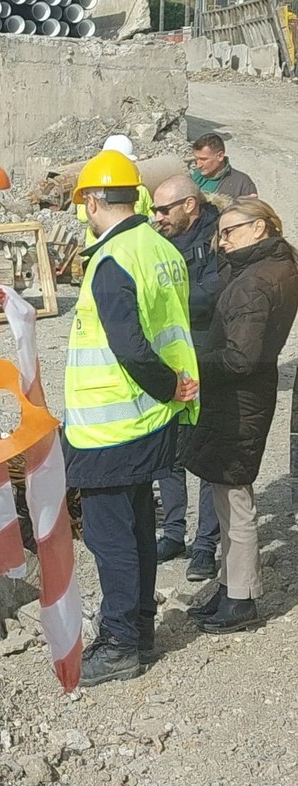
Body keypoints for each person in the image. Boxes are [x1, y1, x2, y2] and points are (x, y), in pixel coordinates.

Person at [62, 150, 199, 687]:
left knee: (112, 538)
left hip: (109, 428)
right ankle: (140, 629)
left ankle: (119, 642)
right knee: (141, 529)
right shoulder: (158, 247)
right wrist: (171, 392)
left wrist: (166, 383)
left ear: (93, 201)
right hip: (148, 420)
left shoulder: (112, 259)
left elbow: (131, 347)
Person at [183, 198, 298, 633]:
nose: (221, 240)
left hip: (238, 400)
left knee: (234, 497)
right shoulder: (277, 265)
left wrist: (191, 360)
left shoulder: (255, 282)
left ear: (259, 228)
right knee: (229, 491)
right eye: (220, 232)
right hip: (249, 394)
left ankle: (242, 597)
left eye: (229, 231)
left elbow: (240, 358)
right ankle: (230, 586)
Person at [151, 175, 222, 580]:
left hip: (206, 356)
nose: (157, 217)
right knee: (171, 451)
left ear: (190, 206)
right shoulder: (159, 237)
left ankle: (205, 544)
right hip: (171, 358)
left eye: (164, 210)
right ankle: (173, 532)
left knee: (206, 453)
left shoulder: (217, 238)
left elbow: (213, 291)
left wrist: (170, 301)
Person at [76, 135, 153, 247]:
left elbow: (150, 212)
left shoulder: (140, 189)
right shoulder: (93, 188)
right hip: (99, 245)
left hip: (132, 244)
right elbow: (82, 216)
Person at [191, 133, 257, 198]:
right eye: (196, 159)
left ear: (220, 156)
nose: (198, 165)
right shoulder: (193, 176)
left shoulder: (242, 184)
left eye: (203, 159)